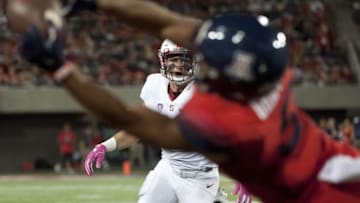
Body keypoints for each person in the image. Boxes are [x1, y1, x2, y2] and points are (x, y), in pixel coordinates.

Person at [14, 0, 360, 202]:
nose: (201, 64)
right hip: (338, 161)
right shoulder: (270, 74)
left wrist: (59, 69)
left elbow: (130, 120)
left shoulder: (228, 125)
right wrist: (94, 2)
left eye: (215, 66)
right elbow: (169, 23)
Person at [84, 39, 230, 203]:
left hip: (200, 175)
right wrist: (105, 145)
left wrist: (246, 176)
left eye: (185, 59)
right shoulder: (155, 85)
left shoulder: (205, 92)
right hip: (168, 167)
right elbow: (139, 128)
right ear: (163, 61)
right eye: (174, 59)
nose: (180, 64)